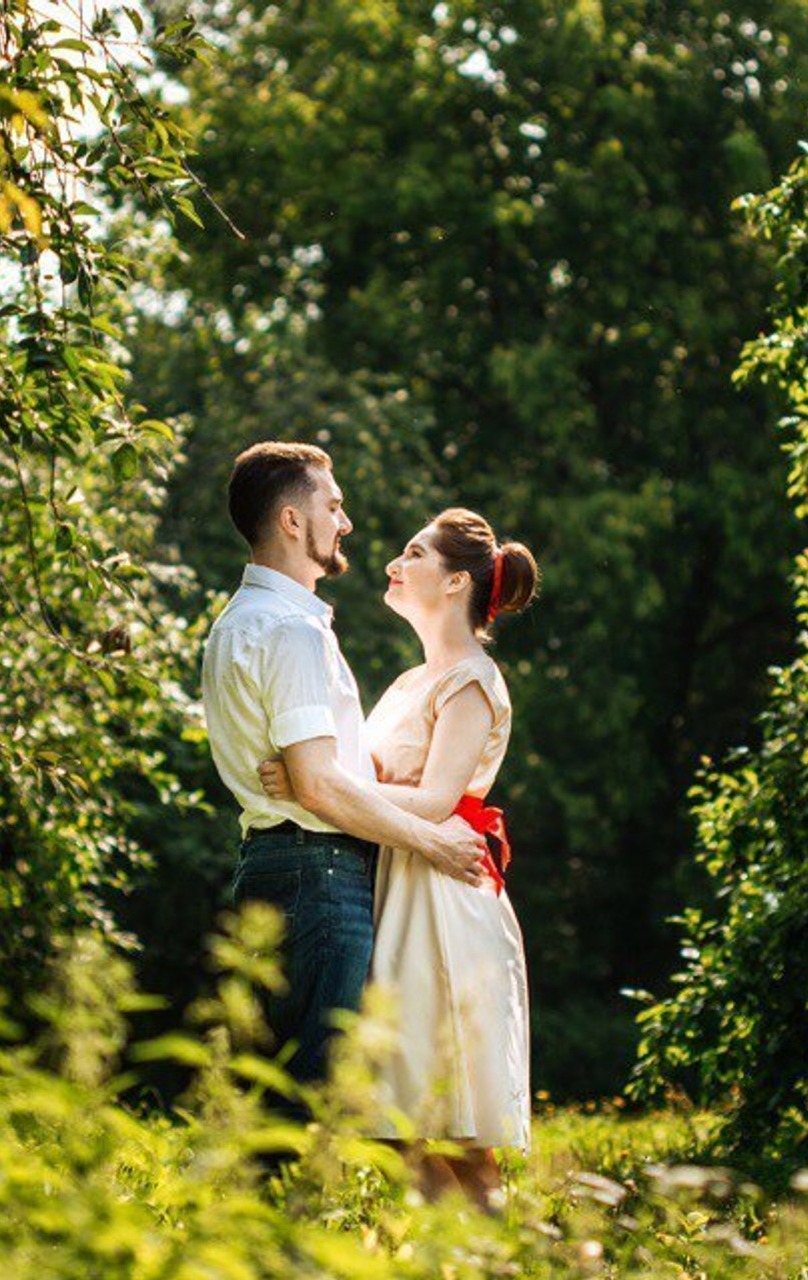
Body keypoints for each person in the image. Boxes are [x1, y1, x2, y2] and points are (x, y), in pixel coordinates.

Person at [260, 507, 537, 1208]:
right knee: (397, 1121)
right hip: (400, 884)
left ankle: (497, 1258)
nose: (392, 564)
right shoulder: (413, 681)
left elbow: (441, 800)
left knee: (446, 1131)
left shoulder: (471, 678)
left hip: (444, 898)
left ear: (453, 584)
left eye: (413, 553)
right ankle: (472, 1256)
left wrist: (316, 785)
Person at [200, 442, 487, 1097]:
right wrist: (434, 841)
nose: (346, 521)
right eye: (333, 505)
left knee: (262, 1084)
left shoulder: (236, 622)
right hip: (318, 878)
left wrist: (316, 782)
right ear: (293, 523)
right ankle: (291, 1204)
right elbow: (321, 785)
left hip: (268, 867)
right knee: (311, 1088)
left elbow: (319, 779)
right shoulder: (290, 629)